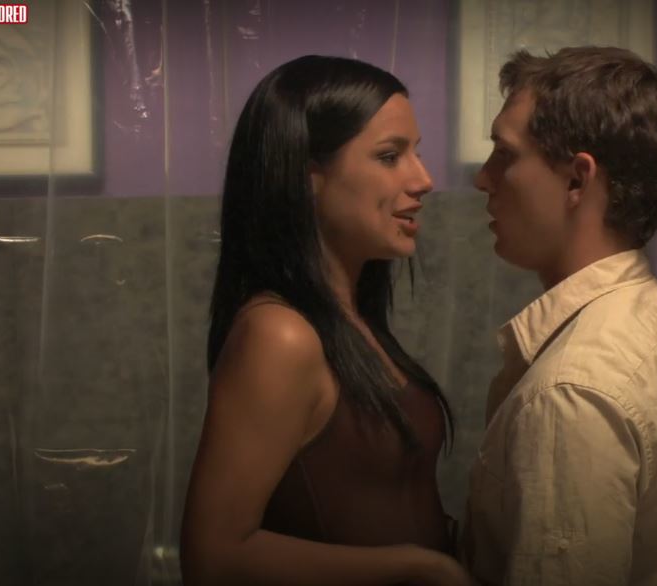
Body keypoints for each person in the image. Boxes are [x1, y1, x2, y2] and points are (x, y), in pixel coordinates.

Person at [181, 55, 472, 586]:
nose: (424, 179)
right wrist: (420, 567)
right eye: (390, 156)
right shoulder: (281, 335)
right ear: (306, 174)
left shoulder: (349, 319)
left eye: (417, 152)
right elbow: (213, 557)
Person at [461, 46, 657, 585]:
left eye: (505, 154)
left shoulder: (572, 390)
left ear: (577, 181)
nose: (483, 179)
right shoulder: (651, 316)